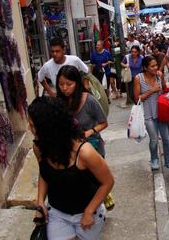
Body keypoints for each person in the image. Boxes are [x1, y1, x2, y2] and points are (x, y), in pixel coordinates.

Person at [29, 96, 114, 239]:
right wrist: (40, 203)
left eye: (32, 125)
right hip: (57, 214)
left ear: (47, 128)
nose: (28, 128)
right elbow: (44, 174)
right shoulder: (39, 147)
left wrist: (89, 211)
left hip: (87, 214)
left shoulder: (84, 152)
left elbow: (108, 182)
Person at [56, 65, 108, 157]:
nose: (64, 88)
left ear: (77, 83)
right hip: (71, 153)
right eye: (61, 84)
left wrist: (89, 132)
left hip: (93, 150)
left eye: (69, 84)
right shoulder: (58, 102)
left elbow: (104, 123)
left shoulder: (89, 100)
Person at [133, 56, 169, 171]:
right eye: (152, 66)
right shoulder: (138, 78)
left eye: (156, 65)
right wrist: (152, 91)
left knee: (166, 139)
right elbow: (136, 99)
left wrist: (162, 79)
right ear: (145, 68)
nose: (155, 68)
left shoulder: (159, 75)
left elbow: (164, 89)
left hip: (161, 112)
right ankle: (154, 159)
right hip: (148, 114)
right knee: (154, 139)